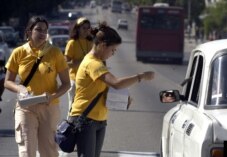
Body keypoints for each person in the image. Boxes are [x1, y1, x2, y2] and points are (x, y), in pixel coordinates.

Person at [68, 22, 155, 157]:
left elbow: (101, 90)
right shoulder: (93, 63)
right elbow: (116, 83)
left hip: (99, 119)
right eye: (113, 50)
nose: (113, 54)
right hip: (86, 119)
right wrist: (141, 76)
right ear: (103, 46)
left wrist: (122, 99)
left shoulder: (99, 62)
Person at [4, 16, 70, 157]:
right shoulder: (19, 52)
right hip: (25, 107)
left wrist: (53, 96)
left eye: (45, 31)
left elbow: (66, 83)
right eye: (38, 29)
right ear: (29, 32)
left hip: (49, 107)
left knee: (49, 152)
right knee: (27, 152)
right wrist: (19, 88)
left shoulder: (55, 52)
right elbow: (7, 81)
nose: (42, 34)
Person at [64, 17, 93, 112]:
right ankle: (69, 127)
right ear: (78, 28)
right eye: (84, 28)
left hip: (88, 82)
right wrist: (79, 63)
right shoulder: (72, 43)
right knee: (73, 110)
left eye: (88, 28)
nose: (86, 30)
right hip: (75, 81)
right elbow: (65, 64)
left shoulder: (90, 43)